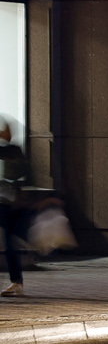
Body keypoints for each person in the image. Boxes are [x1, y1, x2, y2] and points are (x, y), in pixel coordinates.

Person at [0, 119, 28, 298]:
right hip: (6, 202)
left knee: (10, 243)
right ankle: (16, 281)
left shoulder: (13, 150)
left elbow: (21, 173)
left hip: (9, 204)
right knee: (10, 243)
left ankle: (17, 281)